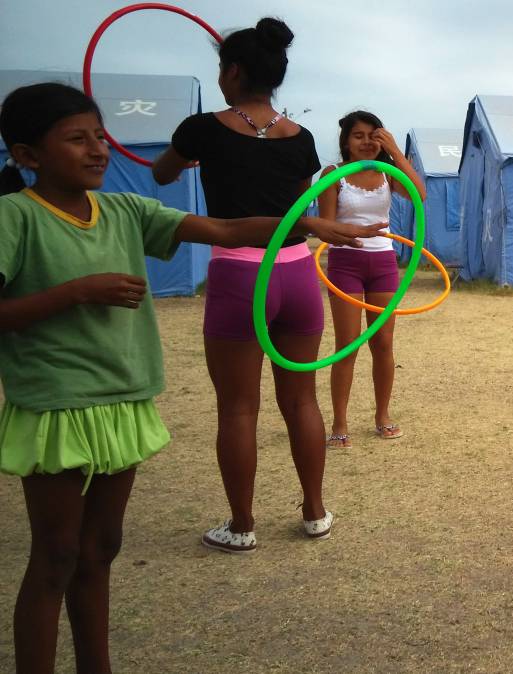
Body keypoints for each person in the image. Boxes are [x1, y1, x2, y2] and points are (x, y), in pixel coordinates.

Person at [0, 82, 378, 674]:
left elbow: (225, 231)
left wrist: (307, 225)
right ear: (27, 155)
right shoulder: (12, 217)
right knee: (55, 557)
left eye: (99, 136)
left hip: (123, 404)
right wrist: (77, 293)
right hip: (55, 409)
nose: (98, 149)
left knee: (101, 551)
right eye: (78, 139)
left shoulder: (125, 210)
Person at [152, 18, 336, 552]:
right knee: (301, 400)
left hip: (238, 270)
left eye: (221, 69)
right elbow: (301, 209)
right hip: (297, 269)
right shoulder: (299, 137)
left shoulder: (202, 129)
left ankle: (241, 525)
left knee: (237, 408)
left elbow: (163, 174)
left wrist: (189, 152)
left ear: (233, 71)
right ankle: (315, 513)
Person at [318, 111, 426, 449]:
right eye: (358, 135)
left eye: (372, 136)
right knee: (347, 344)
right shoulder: (333, 175)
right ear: (346, 141)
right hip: (345, 261)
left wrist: (394, 151)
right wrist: (354, 234)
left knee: (382, 344)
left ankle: (382, 416)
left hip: (382, 261)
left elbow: (419, 194)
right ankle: (339, 422)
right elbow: (326, 227)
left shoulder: (388, 174)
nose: (366, 142)